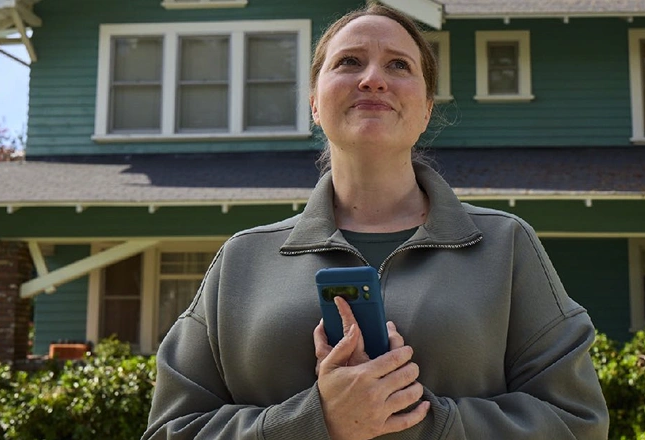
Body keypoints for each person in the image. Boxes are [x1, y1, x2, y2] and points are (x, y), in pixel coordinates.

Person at [142, 4, 609, 439]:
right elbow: (171, 428)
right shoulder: (243, 259)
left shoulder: (506, 246)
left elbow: (577, 421)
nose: (372, 79)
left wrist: (411, 419)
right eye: (348, 62)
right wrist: (314, 421)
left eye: (399, 65)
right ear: (314, 104)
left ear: (427, 108)